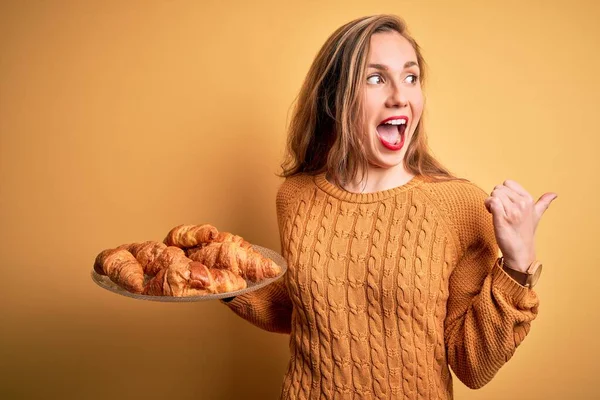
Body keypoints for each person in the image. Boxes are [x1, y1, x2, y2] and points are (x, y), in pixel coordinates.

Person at [222, 14, 557, 400]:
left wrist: (517, 265)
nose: (400, 95)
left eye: (410, 77)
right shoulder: (295, 197)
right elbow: (303, 308)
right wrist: (222, 279)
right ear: (335, 98)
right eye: (376, 78)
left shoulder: (461, 206)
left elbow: (473, 365)